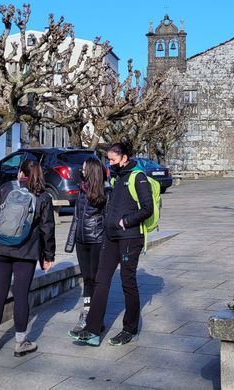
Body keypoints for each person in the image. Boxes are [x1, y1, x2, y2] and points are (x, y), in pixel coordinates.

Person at [70, 141, 153, 346]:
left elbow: (147, 208)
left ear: (124, 158)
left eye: (113, 159)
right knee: (101, 280)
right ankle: (92, 329)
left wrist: (127, 221)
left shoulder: (138, 177)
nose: (109, 162)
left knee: (128, 282)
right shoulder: (116, 178)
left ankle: (130, 329)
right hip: (111, 237)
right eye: (108, 159)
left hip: (130, 238)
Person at [0, 158, 56, 357]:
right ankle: (21, 342)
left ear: (20, 173)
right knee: (21, 295)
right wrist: (48, 256)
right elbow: (47, 229)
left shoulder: (6, 188)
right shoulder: (43, 197)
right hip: (26, 252)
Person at [63, 157, 107, 334]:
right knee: (87, 280)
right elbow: (76, 217)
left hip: (97, 241)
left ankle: (96, 319)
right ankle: (86, 314)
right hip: (82, 242)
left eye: (83, 168)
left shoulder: (106, 192)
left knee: (96, 281)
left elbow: (107, 221)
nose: (81, 171)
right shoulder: (81, 189)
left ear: (91, 170)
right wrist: (70, 243)